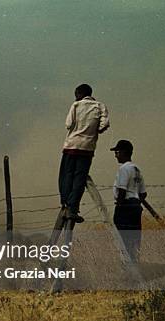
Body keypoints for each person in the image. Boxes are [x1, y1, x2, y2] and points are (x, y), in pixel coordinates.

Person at [59, 83, 110, 222]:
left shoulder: (75, 106)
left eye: (76, 95)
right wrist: (95, 129)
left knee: (67, 174)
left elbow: (68, 124)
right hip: (87, 148)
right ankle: (73, 205)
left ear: (79, 94)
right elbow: (104, 124)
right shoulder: (100, 106)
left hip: (71, 145)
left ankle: (65, 202)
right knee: (80, 178)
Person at [111, 140, 146, 262]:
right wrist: (136, 203)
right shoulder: (136, 169)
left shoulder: (123, 169)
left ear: (124, 152)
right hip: (135, 206)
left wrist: (120, 206)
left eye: (117, 152)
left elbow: (122, 190)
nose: (116, 155)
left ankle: (127, 266)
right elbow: (143, 193)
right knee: (134, 239)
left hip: (125, 206)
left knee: (122, 239)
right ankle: (134, 263)